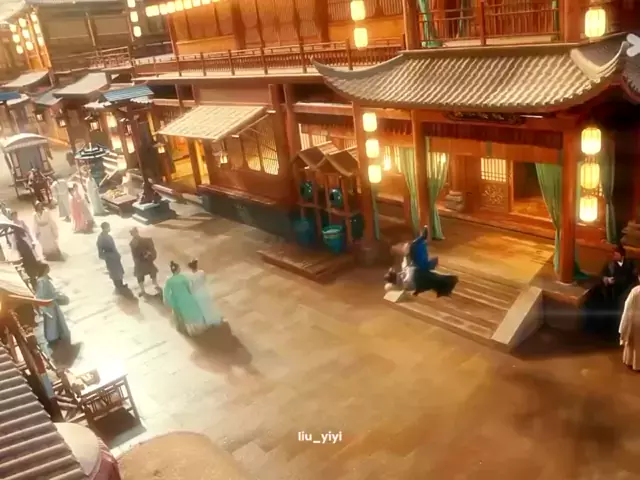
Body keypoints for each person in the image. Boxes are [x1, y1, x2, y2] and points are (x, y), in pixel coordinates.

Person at [584, 245, 636, 337]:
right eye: (614, 254)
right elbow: (601, 275)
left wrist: (616, 281)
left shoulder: (629, 265)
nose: (614, 256)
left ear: (622, 255)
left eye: (616, 254)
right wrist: (606, 279)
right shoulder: (610, 264)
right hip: (609, 291)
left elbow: (631, 279)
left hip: (623, 291)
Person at [384, 242, 458, 298]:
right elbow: (406, 266)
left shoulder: (398, 283)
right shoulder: (400, 279)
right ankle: (448, 283)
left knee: (432, 281)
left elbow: (405, 268)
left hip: (415, 280)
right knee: (434, 279)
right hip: (415, 276)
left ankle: (445, 287)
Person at [164, 261, 211, 335]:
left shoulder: (169, 280)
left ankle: (181, 328)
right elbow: (188, 287)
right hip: (184, 297)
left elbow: (166, 292)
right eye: (179, 268)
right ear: (177, 269)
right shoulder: (183, 278)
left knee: (178, 314)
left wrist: (167, 300)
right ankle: (194, 328)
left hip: (175, 299)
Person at [35, 263, 71, 345]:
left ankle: (58, 335)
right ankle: (53, 337)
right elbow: (42, 294)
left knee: (56, 320)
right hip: (48, 304)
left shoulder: (45, 279)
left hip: (51, 303)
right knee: (51, 321)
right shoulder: (42, 281)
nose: (49, 269)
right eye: (47, 267)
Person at [187, 259, 223, 327]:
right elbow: (204, 280)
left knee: (203, 307)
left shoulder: (190, 277)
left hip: (197, 293)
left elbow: (191, 287)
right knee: (209, 305)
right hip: (204, 290)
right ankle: (215, 319)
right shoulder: (201, 272)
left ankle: (209, 321)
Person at [97, 222, 127, 293]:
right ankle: (118, 286)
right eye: (108, 227)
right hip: (109, 256)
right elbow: (100, 248)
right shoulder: (101, 238)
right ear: (104, 228)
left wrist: (117, 254)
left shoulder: (109, 236)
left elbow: (114, 246)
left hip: (114, 255)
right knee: (113, 271)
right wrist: (104, 256)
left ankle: (121, 284)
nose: (109, 228)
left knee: (118, 270)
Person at [129, 227, 160, 296]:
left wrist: (148, 254)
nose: (134, 234)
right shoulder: (132, 243)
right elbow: (134, 254)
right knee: (140, 276)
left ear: (137, 232)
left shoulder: (146, 240)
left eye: (134, 232)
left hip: (146, 261)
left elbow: (151, 249)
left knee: (152, 272)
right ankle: (143, 290)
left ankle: (155, 284)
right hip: (139, 262)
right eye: (132, 233)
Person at [620, 278, 640, 370]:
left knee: (635, 344)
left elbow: (628, 308)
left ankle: (633, 362)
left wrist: (623, 327)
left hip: (636, 320)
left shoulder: (635, 291)